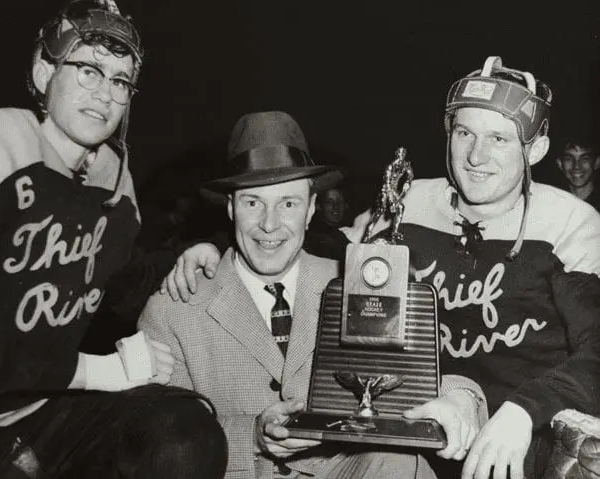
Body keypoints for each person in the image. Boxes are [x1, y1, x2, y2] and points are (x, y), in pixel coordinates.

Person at [165, 57, 600, 479]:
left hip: (519, 441)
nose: (476, 156)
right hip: (412, 434)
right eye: (464, 132)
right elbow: (313, 243)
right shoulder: (409, 203)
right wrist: (216, 245)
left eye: (500, 139)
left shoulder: (566, 224)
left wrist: (523, 412)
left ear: (536, 148)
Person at [0, 1, 226, 477]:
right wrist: (97, 372)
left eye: (120, 81)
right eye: (88, 71)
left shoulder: (114, 178)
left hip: (45, 408)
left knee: (182, 435)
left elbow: (116, 287)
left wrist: (187, 256)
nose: (104, 94)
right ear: (43, 72)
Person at [141, 111, 489, 479]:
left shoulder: (352, 287)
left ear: (310, 210)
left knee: (402, 464)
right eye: (252, 203)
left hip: (345, 470)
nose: (270, 224)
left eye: (288, 204)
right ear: (230, 208)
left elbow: (422, 371)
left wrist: (461, 398)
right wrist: (252, 436)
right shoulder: (174, 308)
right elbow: (149, 436)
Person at [555, 135, 600, 212]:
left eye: (585, 159)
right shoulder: (554, 202)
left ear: (596, 163)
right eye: (569, 159)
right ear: (560, 163)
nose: (576, 166)